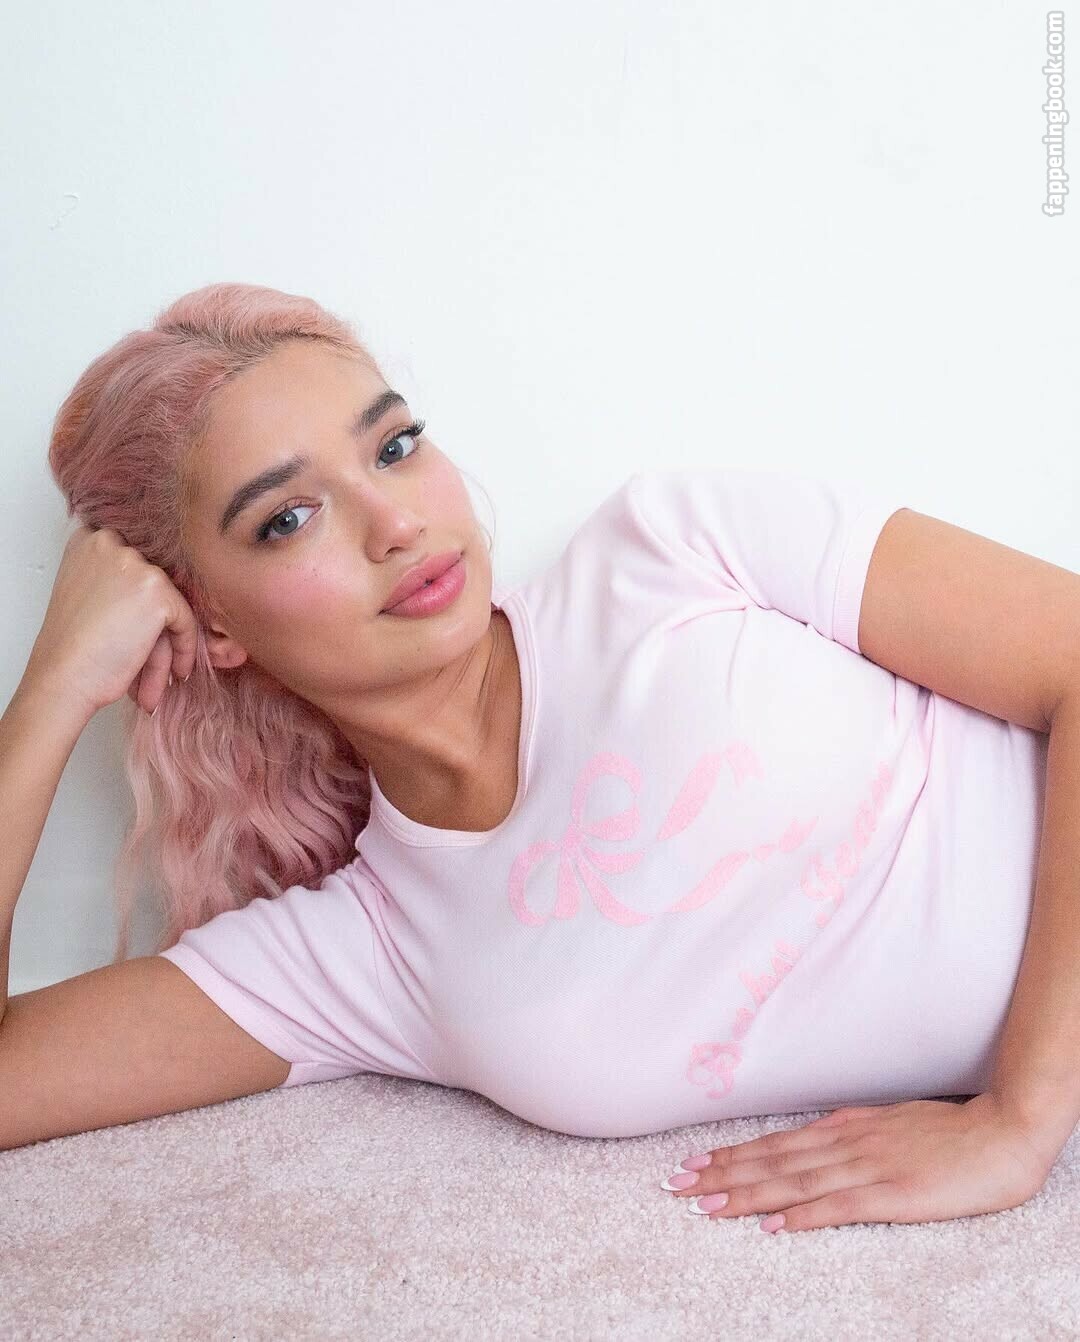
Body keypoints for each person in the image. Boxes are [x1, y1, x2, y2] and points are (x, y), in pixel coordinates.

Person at [0, 282, 1056, 1231]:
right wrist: (52, 692)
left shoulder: (674, 549)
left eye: (394, 448)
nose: (394, 523)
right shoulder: (365, 954)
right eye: (290, 517)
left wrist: (1018, 1121)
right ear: (211, 621)